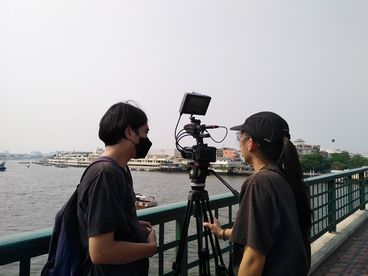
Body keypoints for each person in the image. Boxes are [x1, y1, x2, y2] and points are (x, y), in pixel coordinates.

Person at [204, 111, 311, 276]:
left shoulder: (260, 182)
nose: (238, 142)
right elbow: (261, 230)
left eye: (240, 136)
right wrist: (221, 233)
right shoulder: (284, 177)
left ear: (251, 144)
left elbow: (254, 258)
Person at [77, 102, 157, 275]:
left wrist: (130, 225)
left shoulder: (120, 169)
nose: (147, 139)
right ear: (129, 132)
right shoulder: (106, 175)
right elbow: (101, 252)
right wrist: (149, 248)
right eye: (145, 132)